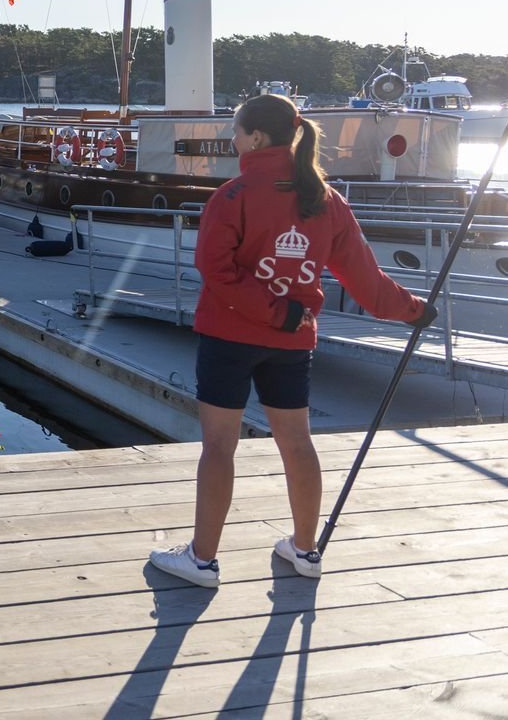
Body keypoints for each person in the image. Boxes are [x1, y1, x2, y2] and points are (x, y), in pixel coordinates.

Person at [148, 94, 435, 588]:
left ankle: (202, 560)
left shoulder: (234, 196)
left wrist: (275, 313)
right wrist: (414, 310)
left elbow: (215, 271)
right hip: (293, 341)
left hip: (229, 337)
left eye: (237, 131)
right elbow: (367, 282)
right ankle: (306, 550)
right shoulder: (325, 199)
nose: (233, 139)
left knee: (219, 446)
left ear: (256, 138)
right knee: (297, 443)